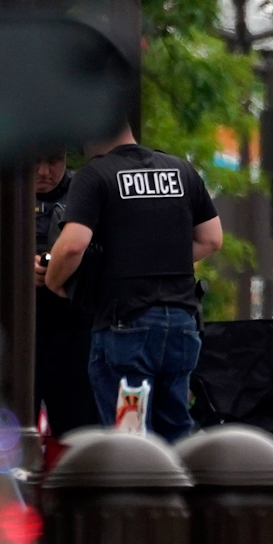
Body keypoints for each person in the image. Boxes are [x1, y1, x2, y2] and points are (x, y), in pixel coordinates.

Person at [44, 124, 223, 442]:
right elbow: (212, 238)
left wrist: (54, 279)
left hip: (126, 326)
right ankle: (178, 492)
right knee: (175, 431)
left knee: (130, 435)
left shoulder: (95, 175)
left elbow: (73, 245)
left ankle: (137, 493)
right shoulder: (180, 169)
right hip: (182, 323)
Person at [0, 150, 102, 436]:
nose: (44, 171)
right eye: (35, 161)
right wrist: (17, 267)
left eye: (53, 161)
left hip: (75, 335)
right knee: (6, 438)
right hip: (9, 336)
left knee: (81, 439)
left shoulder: (87, 191)